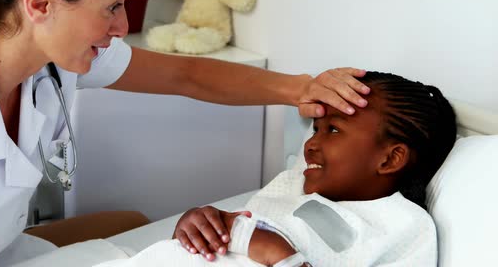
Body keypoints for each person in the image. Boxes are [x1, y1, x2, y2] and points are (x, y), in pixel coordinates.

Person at [0, 0, 370, 266]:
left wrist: (301, 89)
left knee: (127, 222)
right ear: (41, 3)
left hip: (1, 247)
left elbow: (185, 76)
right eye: (112, 5)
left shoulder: (46, 53)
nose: (123, 26)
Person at [165, 71, 457, 266]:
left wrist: (277, 253)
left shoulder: (403, 226)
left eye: (332, 130)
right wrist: (198, 226)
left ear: (390, 159)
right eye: (315, 128)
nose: (310, 145)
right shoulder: (290, 186)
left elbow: (259, 241)